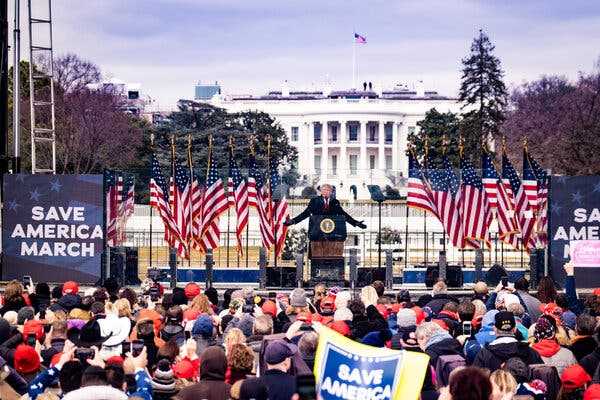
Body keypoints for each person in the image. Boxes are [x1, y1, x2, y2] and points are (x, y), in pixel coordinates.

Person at [472, 311, 542, 372]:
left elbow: (475, 381)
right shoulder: (530, 352)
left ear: (495, 330)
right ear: (514, 329)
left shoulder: (484, 354)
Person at [284, 184, 367, 229]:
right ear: (320, 191)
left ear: (331, 192)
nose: (325, 192)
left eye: (328, 190)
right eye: (323, 190)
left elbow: (343, 214)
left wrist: (355, 223)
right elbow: (305, 213)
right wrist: (293, 221)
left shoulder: (335, 202)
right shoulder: (314, 201)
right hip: (317, 229)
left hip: (332, 229)